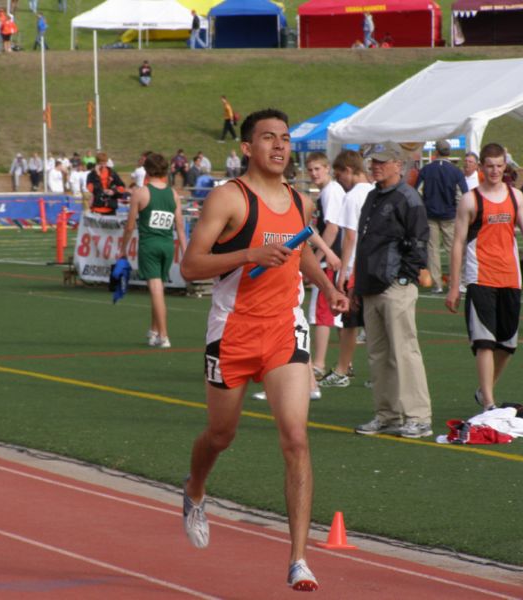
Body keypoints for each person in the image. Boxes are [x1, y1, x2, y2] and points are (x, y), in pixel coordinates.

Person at [180, 108, 348, 592]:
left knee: (295, 437)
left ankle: (299, 560)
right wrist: (249, 254)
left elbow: (301, 255)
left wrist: (327, 286)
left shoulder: (300, 201)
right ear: (247, 148)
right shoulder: (228, 199)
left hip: (283, 330)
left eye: (285, 138)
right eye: (268, 138)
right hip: (232, 332)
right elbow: (191, 266)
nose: (279, 146)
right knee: (220, 435)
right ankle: (194, 490)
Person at [445, 143, 523, 412]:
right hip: (480, 277)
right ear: (481, 167)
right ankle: (489, 401)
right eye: (489, 166)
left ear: (505, 167)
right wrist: (454, 286)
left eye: (499, 166)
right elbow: (457, 243)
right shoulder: (470, 200)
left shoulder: (516, 197)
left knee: (508, 344)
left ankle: (484, 389)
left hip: (510, 277)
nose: (495, 171)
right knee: (484, 341)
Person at [352, 142, 433, 439]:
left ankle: (418, 417)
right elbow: (365, 243)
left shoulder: (407, 197)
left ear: (398, 165)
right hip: (371, 285)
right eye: (373, 161)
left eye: (382, 161)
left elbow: (419, 241)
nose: (375, 165)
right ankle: (387, 415)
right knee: (378, 354)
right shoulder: (373, 195)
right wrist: (357, 284)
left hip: (393, 285)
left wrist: (403, 279)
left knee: (404, 352)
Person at [119, 153, 187, 349]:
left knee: (156, 289)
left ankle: (163, 335)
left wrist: (123, 249)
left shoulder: (140, 193)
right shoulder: (173, 194)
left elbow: (130, 226)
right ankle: (154, 330)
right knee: (158, 290)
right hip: (167, 245)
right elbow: (180, 227)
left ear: (147, 171)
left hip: (149, 245)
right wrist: (185, 251)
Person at [327, 149, 374, 386]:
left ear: (348, 170)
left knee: (349, 323)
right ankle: (379, 374)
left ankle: (342, 370)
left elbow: (349, 237)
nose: (339, 182)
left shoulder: (353, 196)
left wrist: (342, 274)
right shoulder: (377, 192)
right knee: (375, 325)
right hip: (374, 267)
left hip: (356, 268)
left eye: (339, 176)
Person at [304, 152, 345, 382]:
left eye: (317, 169)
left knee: (321, 314)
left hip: (331, 258)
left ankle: (318, 364)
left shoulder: (331, 192)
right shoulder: (330, 191)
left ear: (327, 168)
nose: (313, 173)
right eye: (310, 170)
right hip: (337, 257)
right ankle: (343, 364)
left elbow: (332, 229)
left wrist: (318, 257)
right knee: (338, 313)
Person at [415, 140, 468, 293]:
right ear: (449, 153)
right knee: (453, 249)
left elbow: (418, 192)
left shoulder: (426, 170)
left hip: (430, 215)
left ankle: (437, 284)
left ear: (436, 152)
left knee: (432, 250)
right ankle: (455, 282)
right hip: (450, 215)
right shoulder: (455, 171)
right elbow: (462, 195)